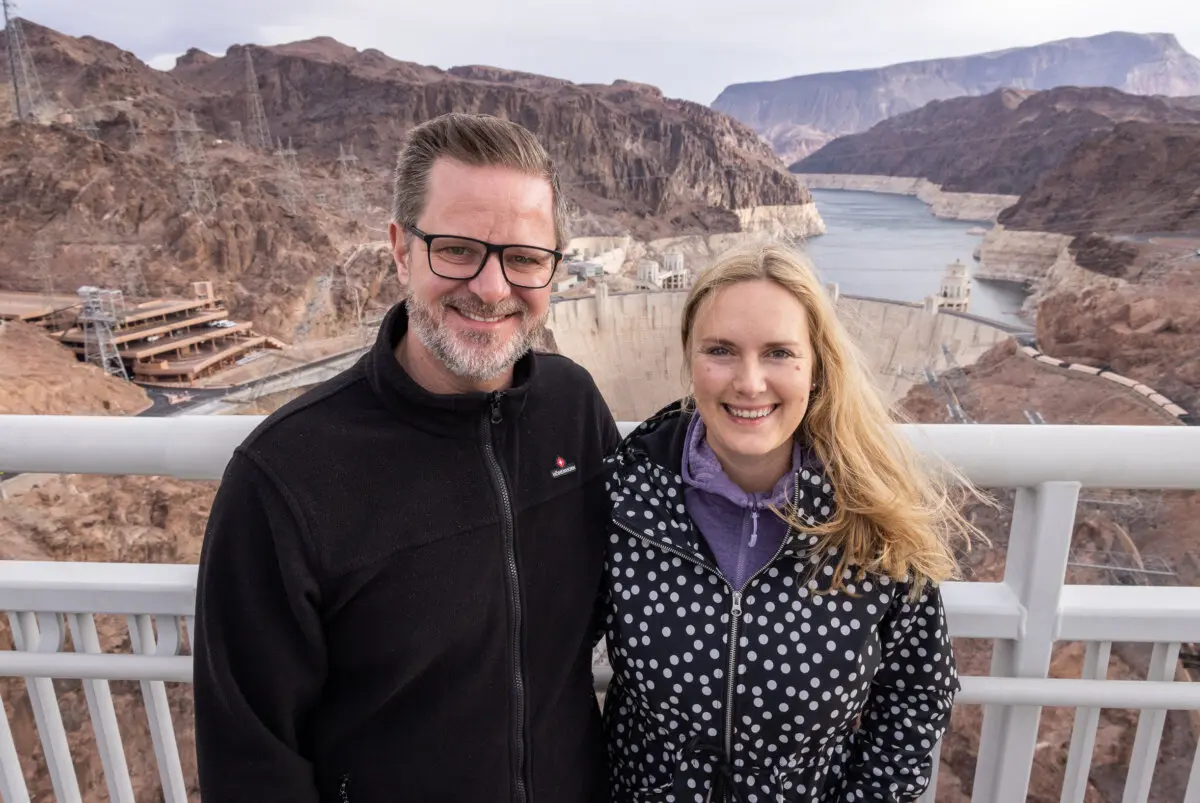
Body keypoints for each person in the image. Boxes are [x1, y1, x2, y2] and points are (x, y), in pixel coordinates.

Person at [194, 112, 619, 802]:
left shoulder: (572, 409)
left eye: (523, 256)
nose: (489, 286)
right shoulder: (287, 474)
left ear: (551, 267)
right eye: (455, 248)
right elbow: (251, 761)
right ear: (399, 249)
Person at [599, 242, 982, 802]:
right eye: (721, 350)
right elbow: (543, 655)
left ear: (815, 366)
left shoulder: (870, 518)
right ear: (691, 359)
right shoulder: (626, 500)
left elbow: (916, 689)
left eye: (779, 353)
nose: (750, 382)